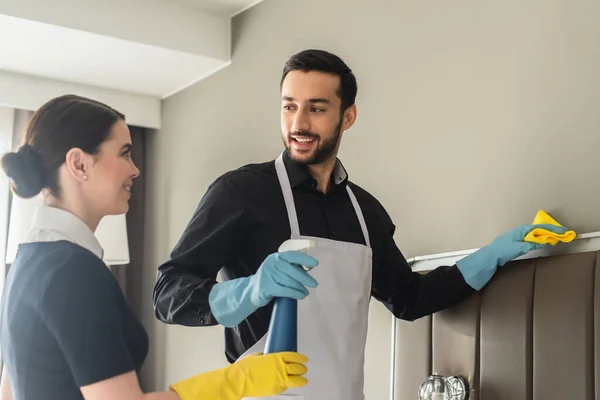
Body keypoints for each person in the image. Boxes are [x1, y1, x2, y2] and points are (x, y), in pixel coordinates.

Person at [152, 49, 569, 399]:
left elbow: (410, 298)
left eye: (316, 108)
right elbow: (167, 293)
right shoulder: (239, 193)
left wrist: (492, 255)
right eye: (289, 106)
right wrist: (249, 289)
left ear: (347, 116)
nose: (299, 123)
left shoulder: (364, 212)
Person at [0, 95, 309, 400]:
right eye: (123, 153)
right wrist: (237, 380)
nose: (135, 169)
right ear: (79, 164)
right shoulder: (74, 271)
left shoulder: (26, 263)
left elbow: (9, 392)